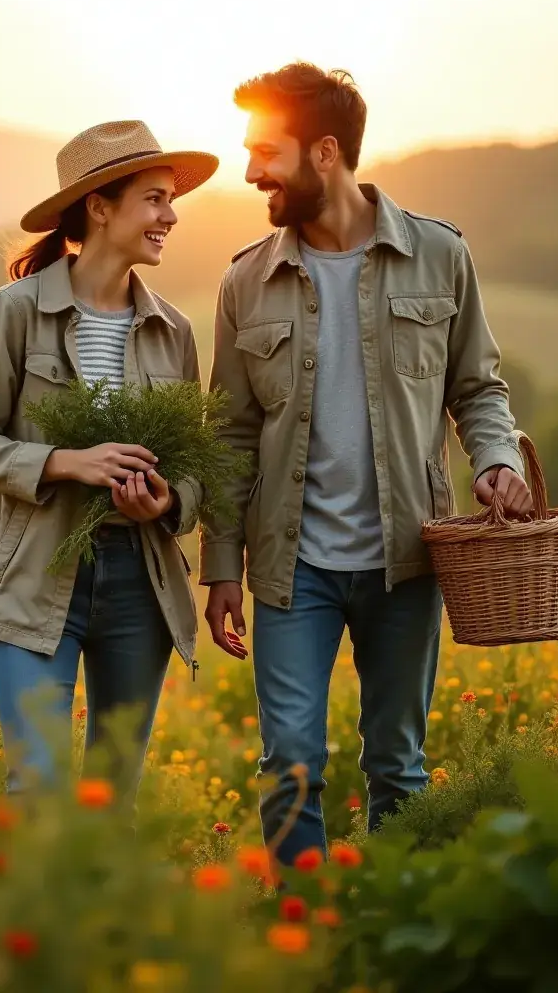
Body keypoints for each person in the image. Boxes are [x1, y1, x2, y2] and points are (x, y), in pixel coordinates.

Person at [199, 63, 533, 864]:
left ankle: (393, 931)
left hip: (409, 560)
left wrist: (492, 458)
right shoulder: (246, 280)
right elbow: (229, 438)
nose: (250, 171)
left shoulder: (439, 256)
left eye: (264, 152)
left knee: (398, 770)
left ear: (323, 153)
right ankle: (306, 939)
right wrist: (218, 566)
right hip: (290, 571)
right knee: (290, 768)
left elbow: (478, 387)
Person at [0, 120, 218, 800]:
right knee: (36, 788)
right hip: (35, 574)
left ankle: (103, 911)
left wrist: (168, 501)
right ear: (99, 206)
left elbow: (193, 467)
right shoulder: (12, 313)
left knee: (110, 798)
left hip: (139, 584)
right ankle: (29, 912)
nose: (170, 216)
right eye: (154, 199)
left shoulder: (173, 331)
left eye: (170, 201)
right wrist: (67, 462)